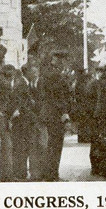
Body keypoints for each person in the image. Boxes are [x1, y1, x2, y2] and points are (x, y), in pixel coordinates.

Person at [38, 51, 72, 181]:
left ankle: (50, 174)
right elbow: (59, 96)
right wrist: (64, 113)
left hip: (49, 113)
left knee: (51, 144)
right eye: (62, 60)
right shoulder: (56, 75)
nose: (64, 63)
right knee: (55, 145)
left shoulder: (47, 73)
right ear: (56, 60)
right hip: (55, 114)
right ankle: (52, 175)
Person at [12, 62, 42, 181]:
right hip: (24, 122)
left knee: (24, 147)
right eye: (33, 72)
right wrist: (33, 116)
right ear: (26, 72)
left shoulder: (26, 84)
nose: (34, 75)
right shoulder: (22, 84)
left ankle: (22, 173)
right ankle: (21, 173)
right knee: (25, 147)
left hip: (25, 121)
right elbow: (21, 104)